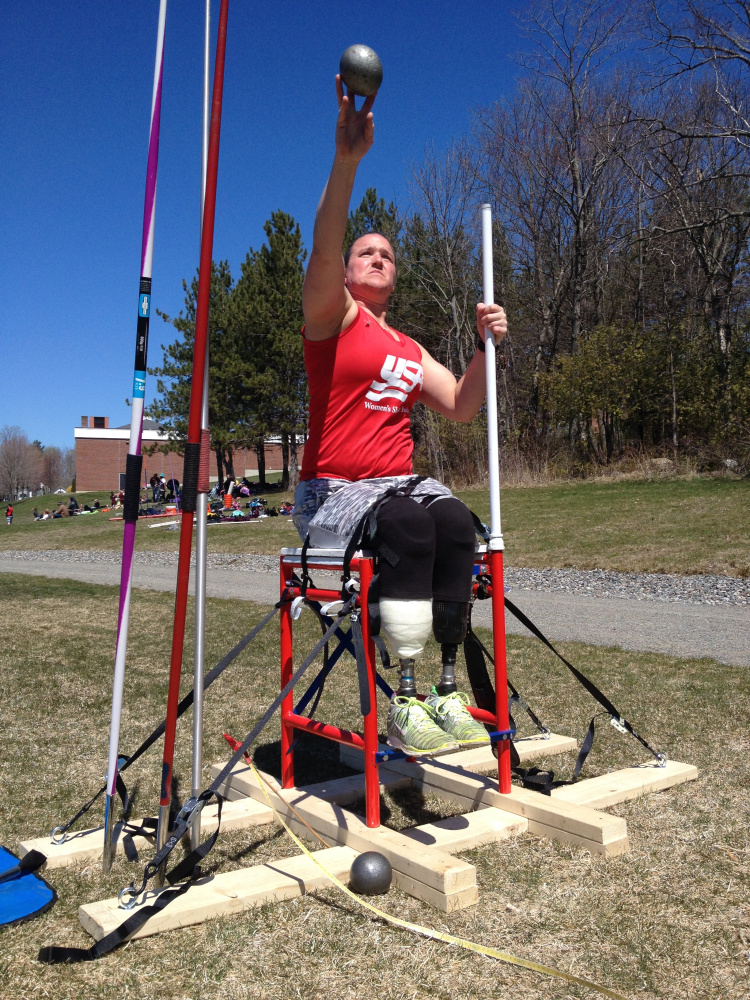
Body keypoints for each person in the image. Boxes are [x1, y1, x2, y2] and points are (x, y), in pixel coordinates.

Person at [293, 76, 508, 755]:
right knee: (415, 525)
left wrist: (484, 345)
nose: (378, 257)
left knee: (450, 521)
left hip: (399, 493)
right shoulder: (333, 318)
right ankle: (405, 693)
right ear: (349, 273)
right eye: (367, 253)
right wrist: (347, 162)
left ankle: (446, 685)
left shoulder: (407, 346)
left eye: (387, 254)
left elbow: (464, 406)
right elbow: (325, 247)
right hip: (333, 495)